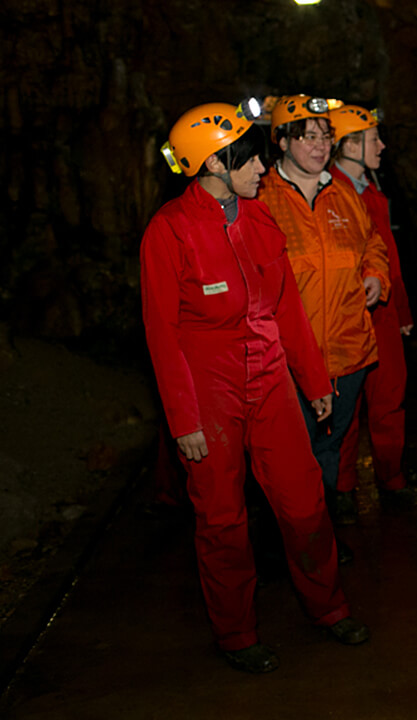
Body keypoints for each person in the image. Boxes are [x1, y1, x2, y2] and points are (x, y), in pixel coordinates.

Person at [141, 100, 369, 673]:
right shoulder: (169, 231)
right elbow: (161, 336)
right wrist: (185, 420)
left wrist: (313, 380)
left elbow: (286, 305)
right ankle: (237, 633)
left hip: (267, 375)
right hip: (208, 384)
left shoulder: (259, 217)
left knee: (304, 499)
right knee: (222, 518)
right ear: (216, 162)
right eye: (251, 159)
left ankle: (328, 605)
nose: (263, 168)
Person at [258, 95, 391, 527]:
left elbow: (372, 241)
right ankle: (287, 541)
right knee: (287, 455)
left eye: (325, 136)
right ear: (281, 141)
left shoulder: (344, 194)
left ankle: (322, 538)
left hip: (347, 353)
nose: (319, 146)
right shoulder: (262, 199)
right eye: (307, 137)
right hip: (289, 361)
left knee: (329, 450)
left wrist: (375, 273)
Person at [328, 104, 417, 509]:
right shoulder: (327, 190)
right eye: (372, 139)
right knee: (344, 407)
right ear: (348, 144)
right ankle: (343, 488)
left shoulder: (371, 187)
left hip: (381, 310)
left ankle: (391, 477)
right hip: (345, 314)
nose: (382, 145)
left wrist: (400, 310)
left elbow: (390, 254)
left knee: (389, 398)